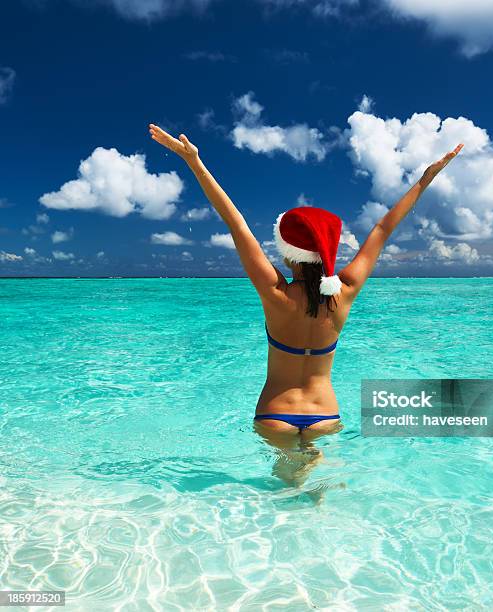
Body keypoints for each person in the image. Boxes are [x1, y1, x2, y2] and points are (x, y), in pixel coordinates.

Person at [149, 123, 462, 484]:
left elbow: (235, 222)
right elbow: (381, 229)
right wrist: (425, 178)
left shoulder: (276, 293)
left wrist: (195, 163)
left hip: (274, 415)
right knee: (316, 493)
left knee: (284, 490)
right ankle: (319, 487)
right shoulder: (342, 291)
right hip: (325, 415)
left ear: (288, 255)